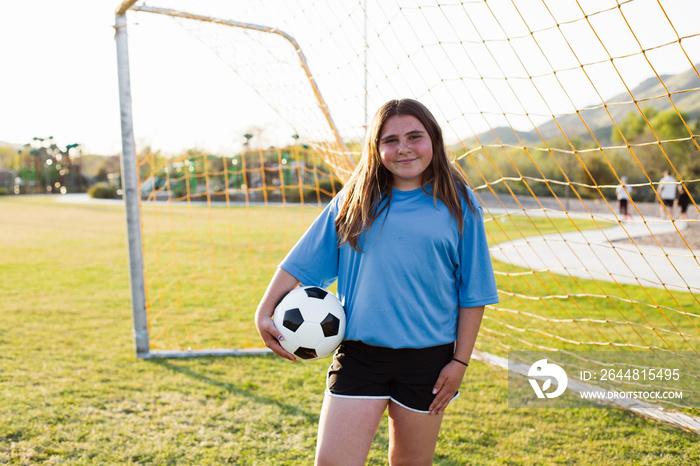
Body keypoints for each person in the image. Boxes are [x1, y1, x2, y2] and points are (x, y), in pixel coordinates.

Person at [254, 98, 499, 465]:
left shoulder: (460, 205)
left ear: (433, 139)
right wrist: (264, 310)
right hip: (360, 356)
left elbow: (474, 293)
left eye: (414, 136)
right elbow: (300, 264)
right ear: (376, 146)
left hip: (428, 362)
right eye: (390, 140)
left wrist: (459, 362)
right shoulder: (355, 200)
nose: (403, 148)